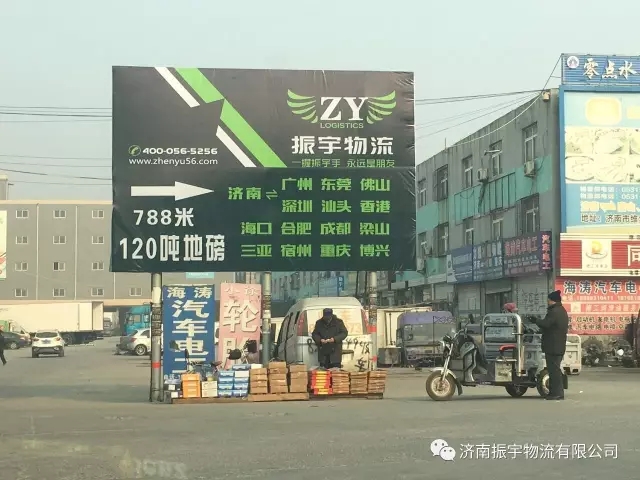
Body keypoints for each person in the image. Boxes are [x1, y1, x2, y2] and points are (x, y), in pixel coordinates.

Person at [534, 290, 569, 400]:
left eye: (548, 300)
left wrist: (535, 320)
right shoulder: (562, 310)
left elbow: (546, 324)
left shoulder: (554, 312)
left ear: (552, 300)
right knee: (554, 370)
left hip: (553, 346)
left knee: (554, 371)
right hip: (558, 345)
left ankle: (557, 393)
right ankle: (555, 393)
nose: (547, 302)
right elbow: (552, 326)